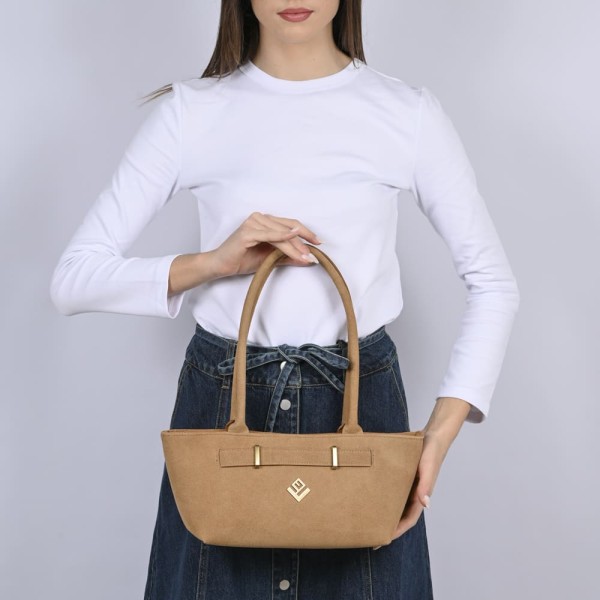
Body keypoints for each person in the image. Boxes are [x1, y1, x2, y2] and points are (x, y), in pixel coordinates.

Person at [50, 1, 520, 598]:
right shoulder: (192, 112)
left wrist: (439, 436)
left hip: (360, 405)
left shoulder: (406, 113)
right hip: (224, 401)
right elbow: (74, 279)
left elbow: (493, 283)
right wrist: (214, 263)